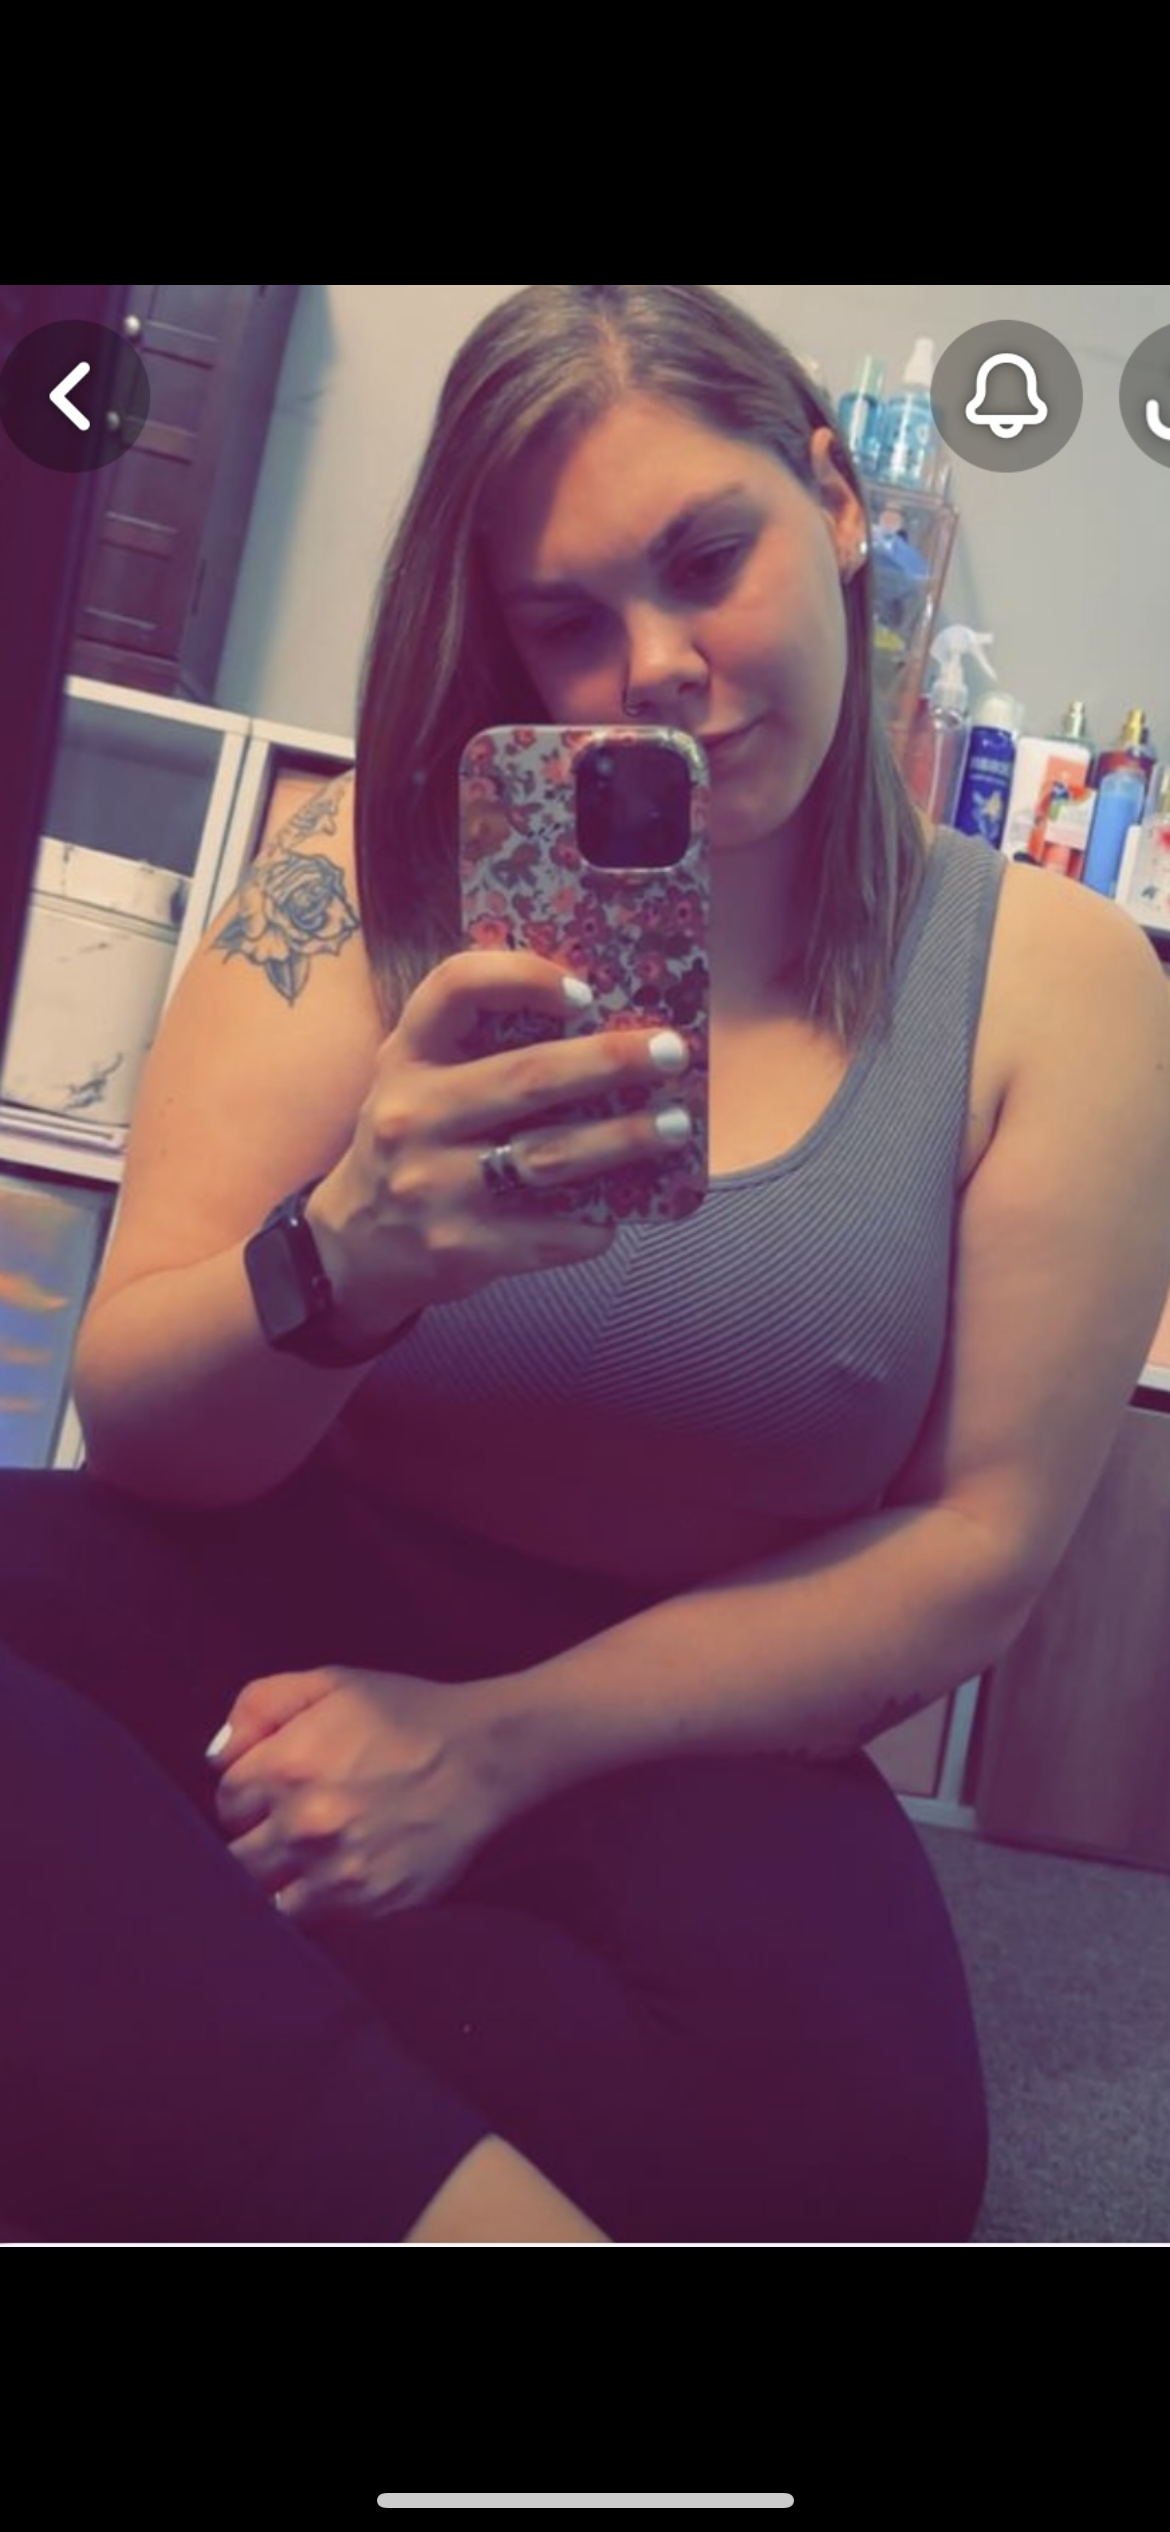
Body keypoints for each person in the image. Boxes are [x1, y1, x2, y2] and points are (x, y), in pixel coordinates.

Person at [4, 284, 1170, 2245]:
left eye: (706, 561)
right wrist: (347, 1260)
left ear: (837, 501)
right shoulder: (352, 877)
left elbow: (972, 1552)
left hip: (702, 1706)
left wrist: (484, 1749)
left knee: (869, 2158)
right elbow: (138, 1425)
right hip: (271, 1614)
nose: (654, 671)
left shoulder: (1060, 986)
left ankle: (145, 2021)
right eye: (565, 617)